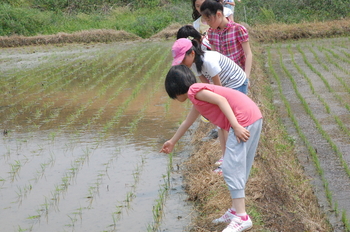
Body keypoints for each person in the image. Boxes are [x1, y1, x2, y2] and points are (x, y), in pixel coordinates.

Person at [160, 65, 263, 232]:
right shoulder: (197, 98)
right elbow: (187, 123)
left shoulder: (194, 91)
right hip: (253, 116)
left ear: (175, 88)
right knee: (239, 167)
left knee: (230, 167)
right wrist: (172, 141)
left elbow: (221, 101)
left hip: (243, 120)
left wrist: (235, 126)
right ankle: (235, 211)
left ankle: (242, 217)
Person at [171, 37, 248, 170]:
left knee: (228, 124)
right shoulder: (194, 65)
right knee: (220, 125)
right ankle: (226, 158)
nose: (182, 64)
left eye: (183, 59)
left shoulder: (208, 61)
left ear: (192, 53)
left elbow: (219, 91)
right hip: (224, 87)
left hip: (236, 83)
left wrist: (210, 105)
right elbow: (207, 86)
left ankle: (232, 161)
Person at [200, 0, 252, 81]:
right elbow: (214, 56)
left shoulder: (238, 29)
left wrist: (246, 77)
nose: (207, 23)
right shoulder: (211, 32)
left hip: (238, 76)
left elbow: (248, 54)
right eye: (205, 20)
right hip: (223, 78)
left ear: (218, 14)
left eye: (208, 20)